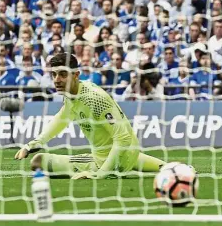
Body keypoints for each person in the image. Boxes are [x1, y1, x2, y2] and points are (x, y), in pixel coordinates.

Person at [14, 52, 167, 179]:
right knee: (38, 160)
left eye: (62, 74)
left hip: (106, 164)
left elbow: (123, 138)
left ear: (76, 75)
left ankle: (106, 168)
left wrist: (99, 174)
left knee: (38, 162)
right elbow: (61, 118)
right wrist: (33, 144)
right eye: (53, 74)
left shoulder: (94, 98)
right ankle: (172, 168)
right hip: (126, 157)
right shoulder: (72, 93)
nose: (56, 80)